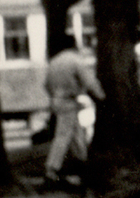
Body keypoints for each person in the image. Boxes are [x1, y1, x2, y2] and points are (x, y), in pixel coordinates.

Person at [42, 35, 104, 189]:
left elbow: (46, 84)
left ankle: (82, 164)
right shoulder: (75, 60)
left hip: (56, 99)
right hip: (69, 100)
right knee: (63, 134)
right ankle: (51, 169)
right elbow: (89, 81)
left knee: (77, 134)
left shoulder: (54, 62)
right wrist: (101, 96)